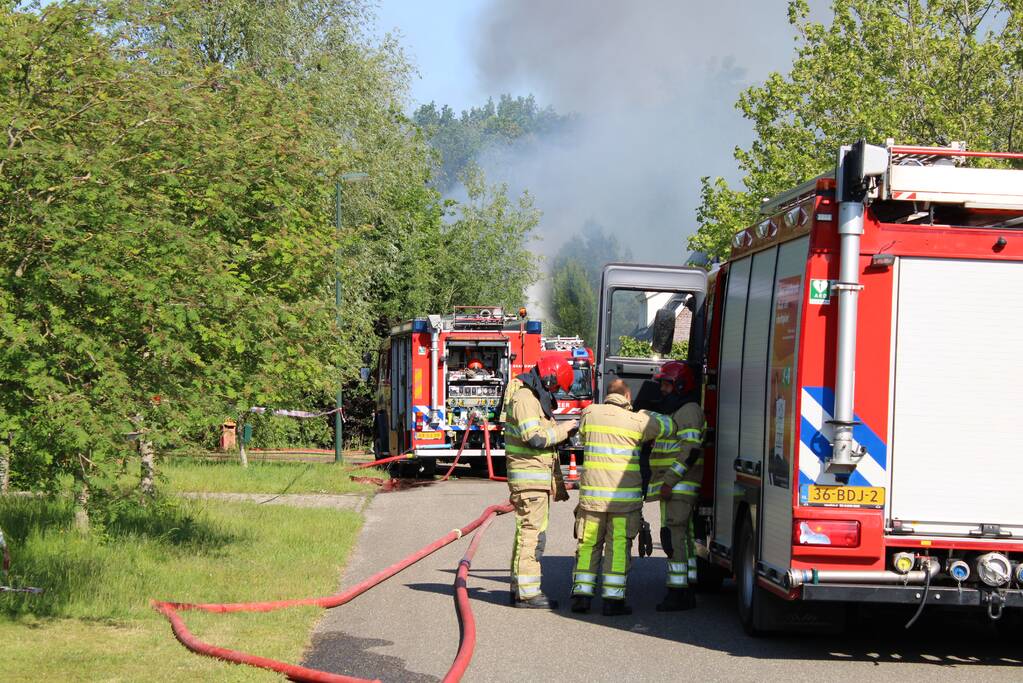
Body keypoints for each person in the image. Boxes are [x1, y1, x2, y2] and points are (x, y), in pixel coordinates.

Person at [571, 380, 673, 616]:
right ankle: (613, 600)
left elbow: (582, 436)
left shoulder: (590, 413)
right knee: (617, 547)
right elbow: (669, 427)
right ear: (627, 397)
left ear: (608, 395)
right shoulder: (637, 420)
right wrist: (646, 411)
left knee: (588, 545)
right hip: (623, 502)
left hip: (592, 500)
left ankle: (581, 596)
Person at [504, 355, 578, 609]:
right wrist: (563, 430)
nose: (554, 391)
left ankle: (520, 589)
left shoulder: (532, 398)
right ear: (548, 377)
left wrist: (562, 435)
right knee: (532, 536)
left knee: (527, 533)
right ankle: (528, 594)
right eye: (555, 386)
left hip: (534, 481)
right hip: (530, 481)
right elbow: (534, 438)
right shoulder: (525, 399)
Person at [645, 360, 706, 611]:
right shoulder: (677, 410)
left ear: (681, 385)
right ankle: (687, 588)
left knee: (674, 536)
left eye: (667, 384)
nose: (663, 389)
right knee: (683, 536)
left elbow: (690, 451)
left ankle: (677, 592)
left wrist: (669, 481)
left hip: (679, 485)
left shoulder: (688, 410)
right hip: (674, 486)